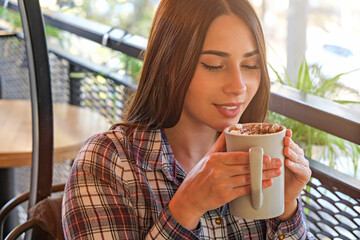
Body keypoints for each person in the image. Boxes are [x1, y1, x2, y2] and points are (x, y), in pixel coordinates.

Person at [62, 0, 314, 239]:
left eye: (250, 65)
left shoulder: (262, 156)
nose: (239, 86)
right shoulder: (107, 162)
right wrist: (186, 208)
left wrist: (286, 209)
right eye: (214, 65)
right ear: (168, 64)